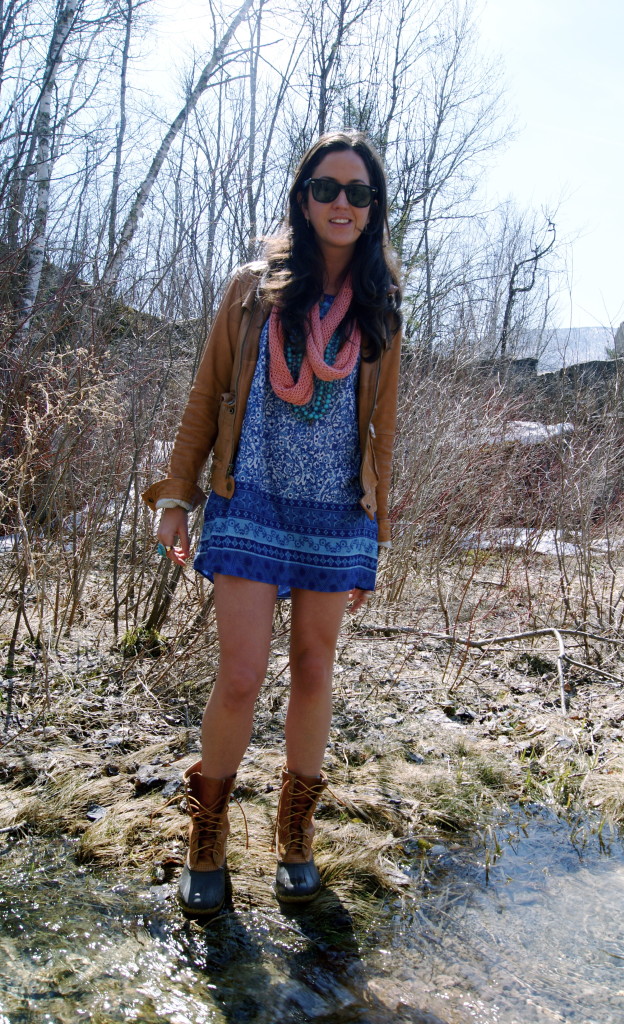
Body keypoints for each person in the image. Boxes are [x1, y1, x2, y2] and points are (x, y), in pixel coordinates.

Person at [142, 130, 402, 916]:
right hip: (248, 496)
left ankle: (295, 834)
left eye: (358, 192)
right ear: (303, 197)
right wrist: (175, 495)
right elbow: (206, 394)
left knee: (315, 671)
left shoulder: (381, 307)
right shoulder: (250, 291)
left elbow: (383, 428)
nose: (341, 203)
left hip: (335, 512)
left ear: (373, 209)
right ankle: (207, 835)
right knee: (242, 676)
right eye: (326, 188)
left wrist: (375, 535)